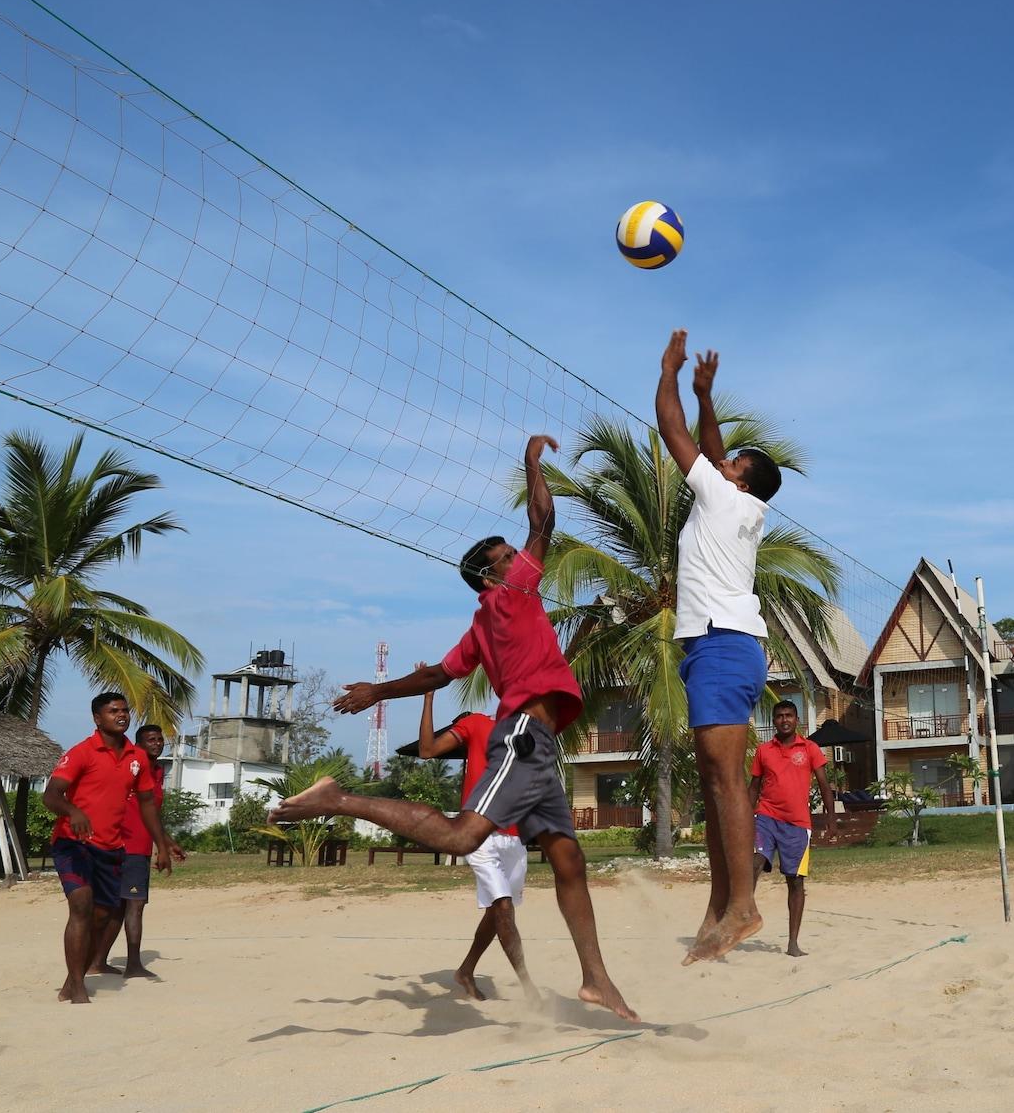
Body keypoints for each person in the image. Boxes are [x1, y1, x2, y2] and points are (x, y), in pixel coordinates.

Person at [269, 432, 637, 1022]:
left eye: (511, 552)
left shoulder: (484, 620)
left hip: (538, 747)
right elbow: (544, 518)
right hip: (520, 736)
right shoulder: (514, 592)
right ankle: (340, 798)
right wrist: (530, 463)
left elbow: (439, 674)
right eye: (503, 557)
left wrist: (378, 690)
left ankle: (596, 980)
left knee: (569, 861)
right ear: (492, 577)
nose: (517, 556)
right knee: (465, 836)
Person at [654, 329, 782, 965]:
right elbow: (710, 445)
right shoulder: (739, 507)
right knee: (714, 782)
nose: (721, 462)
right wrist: (709, 397)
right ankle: (716, 913)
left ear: (740, 481)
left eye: (731, 464)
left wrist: (671, 374)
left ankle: (744, 907)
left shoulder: (724, 501)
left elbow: (671, 431)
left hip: (723, 645)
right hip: (721, 648)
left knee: (727, 781)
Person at [43, 693, 176, 1004]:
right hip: (72, 843)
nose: (121, 715)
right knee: (81, 904)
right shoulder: (81, 753)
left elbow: (147, 805)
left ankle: (69, 980)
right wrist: (72, 811)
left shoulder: (137, 758)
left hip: (111, 847)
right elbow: (50, 796)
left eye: (124, 710)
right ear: (97, 718)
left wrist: (162, 844)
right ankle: (78, 987)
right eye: (113, 710)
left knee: (103, 916)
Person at [416, 692, 541, 1001]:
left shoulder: (529, 735)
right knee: (503, 908)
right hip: (479, 833)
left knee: (497, 914)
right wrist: (429, 697)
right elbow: (427, 750)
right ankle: (530, 990)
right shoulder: (475, 724)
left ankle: (466, 970)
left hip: (515, 837)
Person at [91, 722, 182, 979]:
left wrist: (166, 842)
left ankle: (97, 961)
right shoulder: (134, 767)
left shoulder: (156, 772)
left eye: (159, 739)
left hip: (139, 847)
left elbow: (149, 814)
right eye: (150, 740)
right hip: (126, 847)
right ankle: (132, 964)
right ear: (139, 744)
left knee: (119, 907)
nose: (157, 743)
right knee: (134, 904)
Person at [750, 700, 836, 957]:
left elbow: (824, 785)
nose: (784, 720)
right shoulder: (763, 751)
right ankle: (744, 911)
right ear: (773, 721)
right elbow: (753, 787)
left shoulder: (810, 749)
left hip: (797, 826)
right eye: (779, 716)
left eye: (789, 715)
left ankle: (792, 943)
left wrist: (831, 819)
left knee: (795, 882)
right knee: (754, 861)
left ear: (796, 720)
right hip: (766, 816)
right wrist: (744, 816)